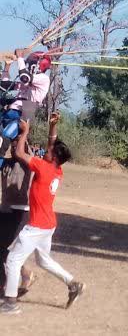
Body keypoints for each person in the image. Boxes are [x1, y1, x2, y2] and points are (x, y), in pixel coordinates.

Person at [1, 112, 83, 315]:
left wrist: (25, 133)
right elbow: (52, 142)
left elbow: (19, 153)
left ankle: (10, 303)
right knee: (43, 261)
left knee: (12, 260)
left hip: (37, 226)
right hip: (48, 224)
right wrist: (53, 126)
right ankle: (73, 284)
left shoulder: (43, 168)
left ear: (53, 156)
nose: (45, 150)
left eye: (48, 150)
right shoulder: (57, 170)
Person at [0, 48, 51, 299]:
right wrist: (6, 67)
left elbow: (24, 80)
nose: (30, 66)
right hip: (15, 110)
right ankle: (19, 276)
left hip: (25, 114)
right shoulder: (24, 81)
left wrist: (19, 58)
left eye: (32, 63)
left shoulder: (40, 80)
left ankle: (12, 282)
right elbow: (9, 85)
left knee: (11, 130)